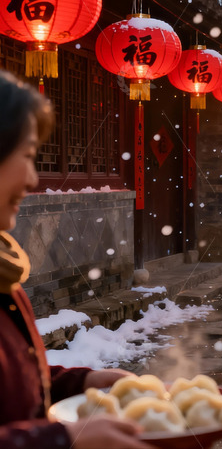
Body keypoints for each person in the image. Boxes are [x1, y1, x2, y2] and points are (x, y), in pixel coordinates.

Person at [0, 70, 151, 448]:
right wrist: (60, 439)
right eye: (29, 156)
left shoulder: (5, 269)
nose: (35, 178)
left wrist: (78, 383)